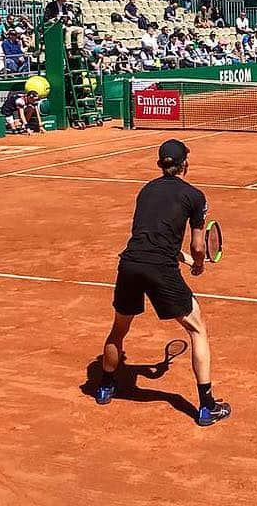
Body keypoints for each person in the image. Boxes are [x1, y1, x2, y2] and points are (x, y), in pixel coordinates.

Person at [95, 138, 230, 427]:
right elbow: (197, 245)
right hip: (160, 269)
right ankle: (207, 406)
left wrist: (182, 257)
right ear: (185, 164)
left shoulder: (145, 191)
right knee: (197, 329)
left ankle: (105, 386)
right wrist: (197, 264)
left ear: (161, 165)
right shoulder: (195, 196)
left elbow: (152, 237)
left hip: (130, 263)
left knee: (119, 329)